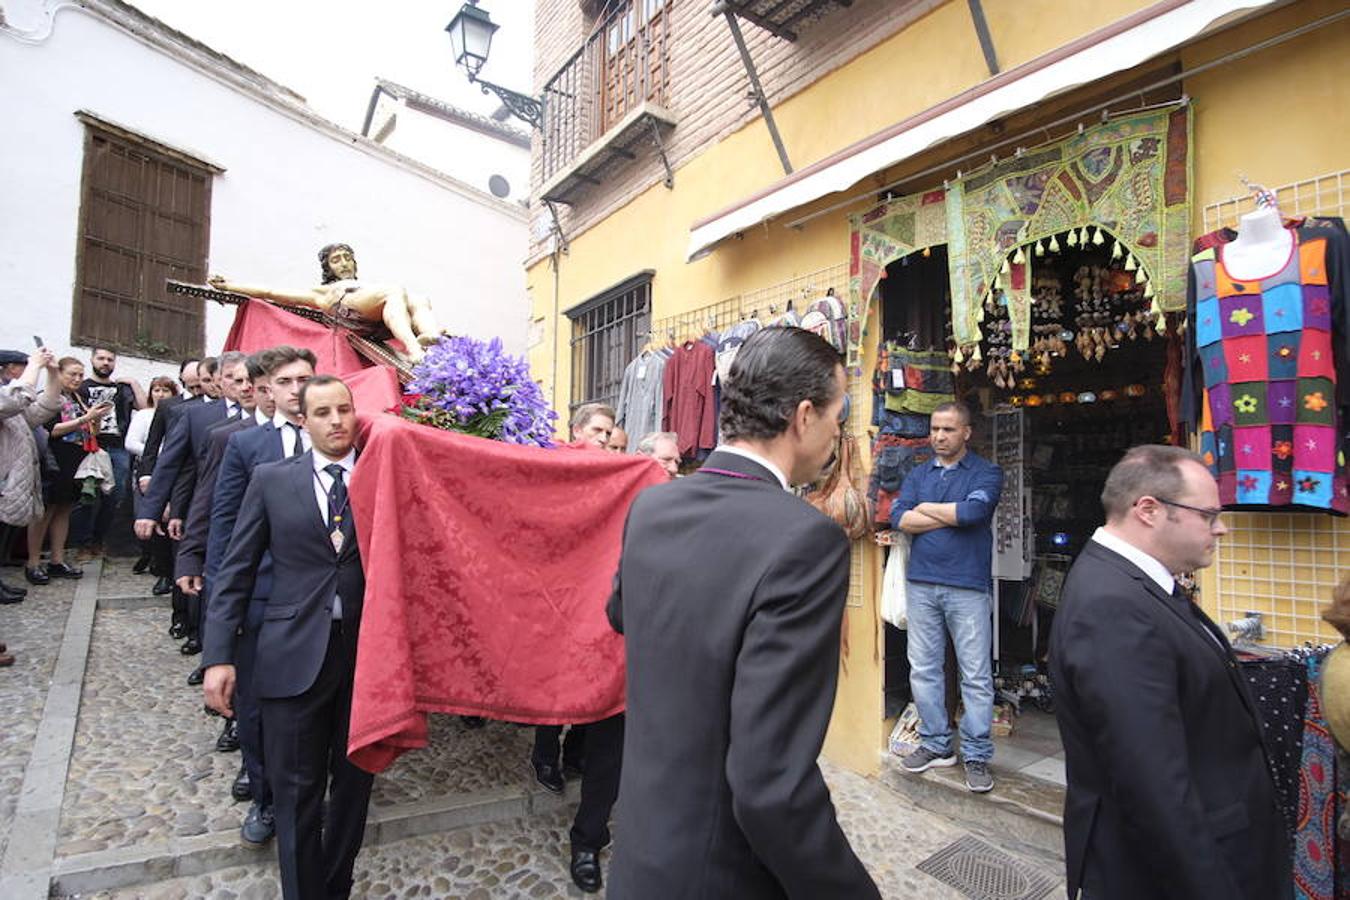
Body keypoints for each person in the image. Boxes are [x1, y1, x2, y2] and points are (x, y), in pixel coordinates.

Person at [606, 326, 879, 898]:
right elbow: (768, 786)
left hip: (642, 850)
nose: (836, 437)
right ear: (803, 417)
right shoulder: (806, 541)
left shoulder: (653, 505)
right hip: (721, 873)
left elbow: (622, 614)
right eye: (836, 419)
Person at [1049, 445, 1291, 900]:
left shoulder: (1136, 585)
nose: (1220, 528)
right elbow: (1153, 785)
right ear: (1148, 510)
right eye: (1208, 515)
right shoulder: (1112, 607)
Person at [203, 375, 373, 900]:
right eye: (323, 412)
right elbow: (236, 569)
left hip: (366, 660)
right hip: (291, 658)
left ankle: (336, 887)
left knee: (352, 791)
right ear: (303, 419)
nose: (337, 421)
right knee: (296, 792)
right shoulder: (272, 481)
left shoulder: (377, 477)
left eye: (344, 410)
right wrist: (219, 656)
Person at [205, 345, 318, 848]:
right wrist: (219, 631)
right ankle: (266, 798)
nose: (298, 390)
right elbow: (225, 533)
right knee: (256, 713)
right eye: (289, 381)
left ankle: (311, 795)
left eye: (306, 379)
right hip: (263, 605)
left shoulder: (342, 443)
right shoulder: (246, 447)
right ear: (265, 389)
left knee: (314, 707)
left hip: (319, 606)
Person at [889, 401, 1002, 793]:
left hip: (967, 585)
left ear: (966, 433)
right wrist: (946, 512)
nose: (938, 436)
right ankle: (937, 745)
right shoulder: (918, 472)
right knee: (922, 668)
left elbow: (973, 513)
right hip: (921, 583)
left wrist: (928, 510)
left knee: (975, 675)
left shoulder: (987, 472)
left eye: (948, 430)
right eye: (935, 429)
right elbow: (900, 518)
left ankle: (975, 754)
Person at [136, 353, 249, 656]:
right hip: (207, 512)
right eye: (232, 379)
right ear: (219, 381)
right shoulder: (197, 416)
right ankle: (204, 646)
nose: (242, 386)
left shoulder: (270, 415)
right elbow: (174, 465)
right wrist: (153, 509)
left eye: (246, 378)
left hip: (250, 516)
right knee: (203, 583)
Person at [209, 243, 445, 362]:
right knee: (394, 290)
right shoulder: (322, 291)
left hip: (379, 317)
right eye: (336, 260)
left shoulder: (368, 285)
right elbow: (271, 291)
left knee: (418, 298)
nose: (344, 263)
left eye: (347, 258)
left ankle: (430, 335)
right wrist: (230, 285)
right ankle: (414, 349)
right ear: (328, 267)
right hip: (349, 312)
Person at [25, 357, 112, 585]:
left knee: (64, 510)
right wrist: (85, 418)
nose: (77, 379)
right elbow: (50, 430)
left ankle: (57, 559)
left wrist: (95, 419)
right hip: (54, 459)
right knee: (45, 512)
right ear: (59, 374)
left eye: (80, 375)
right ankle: (33, 563)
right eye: (72, 374)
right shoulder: (49, 398)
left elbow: (90, 429)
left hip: (76, 459)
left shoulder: (78, 398)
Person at [0, 348, 63, 603]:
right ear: (7, 368)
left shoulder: (13, 394)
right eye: (21, 366)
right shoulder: (9, 395)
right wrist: (35, 366)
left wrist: (53, 374)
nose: (26, 370)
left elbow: (41, 410)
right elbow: (12, 400)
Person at [71, 346, 146, 556]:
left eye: (110, 359)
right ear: (92, 360)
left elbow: (144, 407)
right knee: (86, 496)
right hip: (90, 447)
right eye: (101, 358)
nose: (105, 363)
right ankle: (83, 544)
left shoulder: (121, 389)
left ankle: (98, 540)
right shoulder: (82, 388)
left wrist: (134, 383)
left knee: (115, 496)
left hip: (118, 448)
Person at [125, 375, 178, 575]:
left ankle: (161, 561)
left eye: (165, 390)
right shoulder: (144, 415)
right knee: (143, 512)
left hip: (172, 469)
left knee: (166, 514)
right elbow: (131, 443)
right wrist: (160, 454)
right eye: (156, 390)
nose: (160, 394)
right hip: (148, 468)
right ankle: (148, 552)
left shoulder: (178, 412)